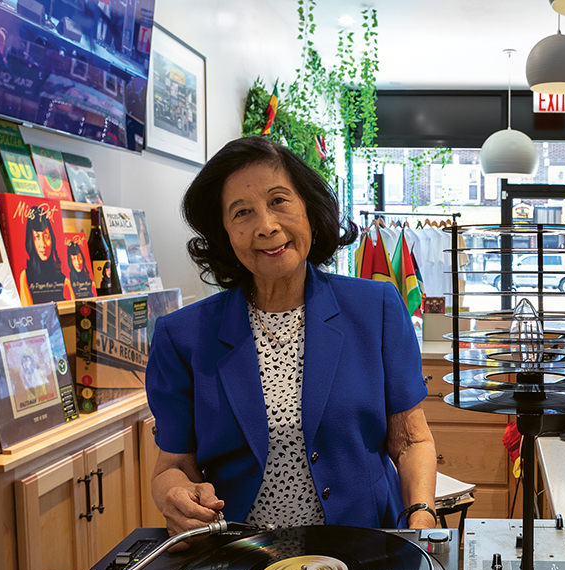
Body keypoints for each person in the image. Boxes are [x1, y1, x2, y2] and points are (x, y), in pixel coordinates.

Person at [146, 136, 437, 535]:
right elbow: (173, 466)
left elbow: (409, 441)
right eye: (242, 212)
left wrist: (420, 516)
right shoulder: (183, 337)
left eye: (279, 201)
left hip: (363, 551)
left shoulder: (377, 308)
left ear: (308, 210)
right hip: (239, 559)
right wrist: (174, 497)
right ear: (225, 234)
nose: (266, 226)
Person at [18, 205, 68, 304]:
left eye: (45, 236)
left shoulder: (64, 280)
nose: (42, 244)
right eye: (37, 236)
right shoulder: (25, 277)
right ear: (31, 240)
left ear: (52, 238)